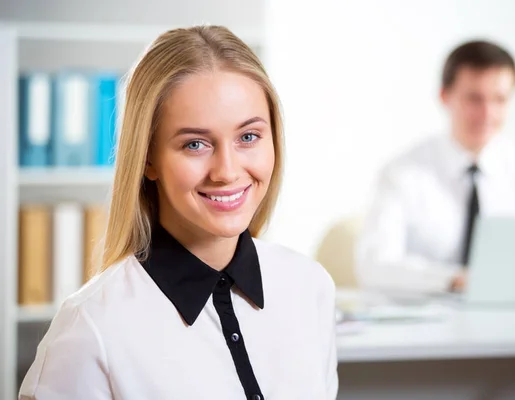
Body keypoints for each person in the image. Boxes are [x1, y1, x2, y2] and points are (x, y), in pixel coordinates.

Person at [19, 25, 338, 400]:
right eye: (195, 144)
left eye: (248, 137)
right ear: (148, 157)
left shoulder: (309, 287)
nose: (227, 171)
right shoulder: (91, 328)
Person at [355, 40, 515, 295]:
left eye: (500, 100)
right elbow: (374, 266)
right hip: (427, 321)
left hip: (514, 314)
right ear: (445, 96)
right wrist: (455, 280)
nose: (487, 113)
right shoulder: (402, 173)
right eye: (474, 99)